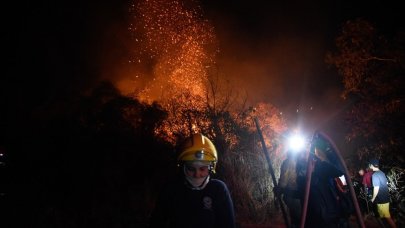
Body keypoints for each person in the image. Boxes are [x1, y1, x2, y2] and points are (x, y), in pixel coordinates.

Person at [148, 133, 236, 228]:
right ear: (182, 167)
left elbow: (228, 224)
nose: (197, 174)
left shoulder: (218, 190)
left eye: (202, 169)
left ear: (211, 168)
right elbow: (156, 223)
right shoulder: (171, 190)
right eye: (191, 168)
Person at [305, 139, 347, 228]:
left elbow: (340, 171)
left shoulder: (321, 168)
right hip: (317, 217)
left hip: (329, 215)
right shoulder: (305, 171)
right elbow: (302, 192)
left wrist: (329, 152)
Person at [276, 149, 306, 228]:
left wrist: (280, 189)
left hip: (293, 195)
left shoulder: (288, 162)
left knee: (296, 218)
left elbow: (283, 180)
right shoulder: (304, 162)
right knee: (300, 218)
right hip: (300, 195)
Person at [369, 158, 397, 228]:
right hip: (386, 197)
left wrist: (373, 198)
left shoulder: (374, 175)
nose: (369, 166)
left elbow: (376, 188)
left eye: (370, 164)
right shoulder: (382, 173)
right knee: (386, 215)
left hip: (381, 199)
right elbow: (386, 182)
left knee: (387, 217)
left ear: (372, 165)